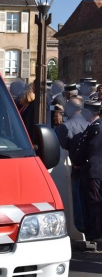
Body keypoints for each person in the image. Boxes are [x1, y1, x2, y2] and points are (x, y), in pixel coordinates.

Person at [57, 97, 89, 233]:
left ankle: (79, 224)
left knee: (75, 196)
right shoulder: (89, 124)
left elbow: (60, 147)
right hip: (88, 166)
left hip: (72, 165)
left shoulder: (66, 126)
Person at [71, 100, 102, 241]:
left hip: (93, 170)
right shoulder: (92, 127)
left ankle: (96, 232)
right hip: (89, 169)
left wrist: (79, 161)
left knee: (94, 202)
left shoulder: (97, 128)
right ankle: (93, 229)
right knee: (90, 202)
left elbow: (91, 150)